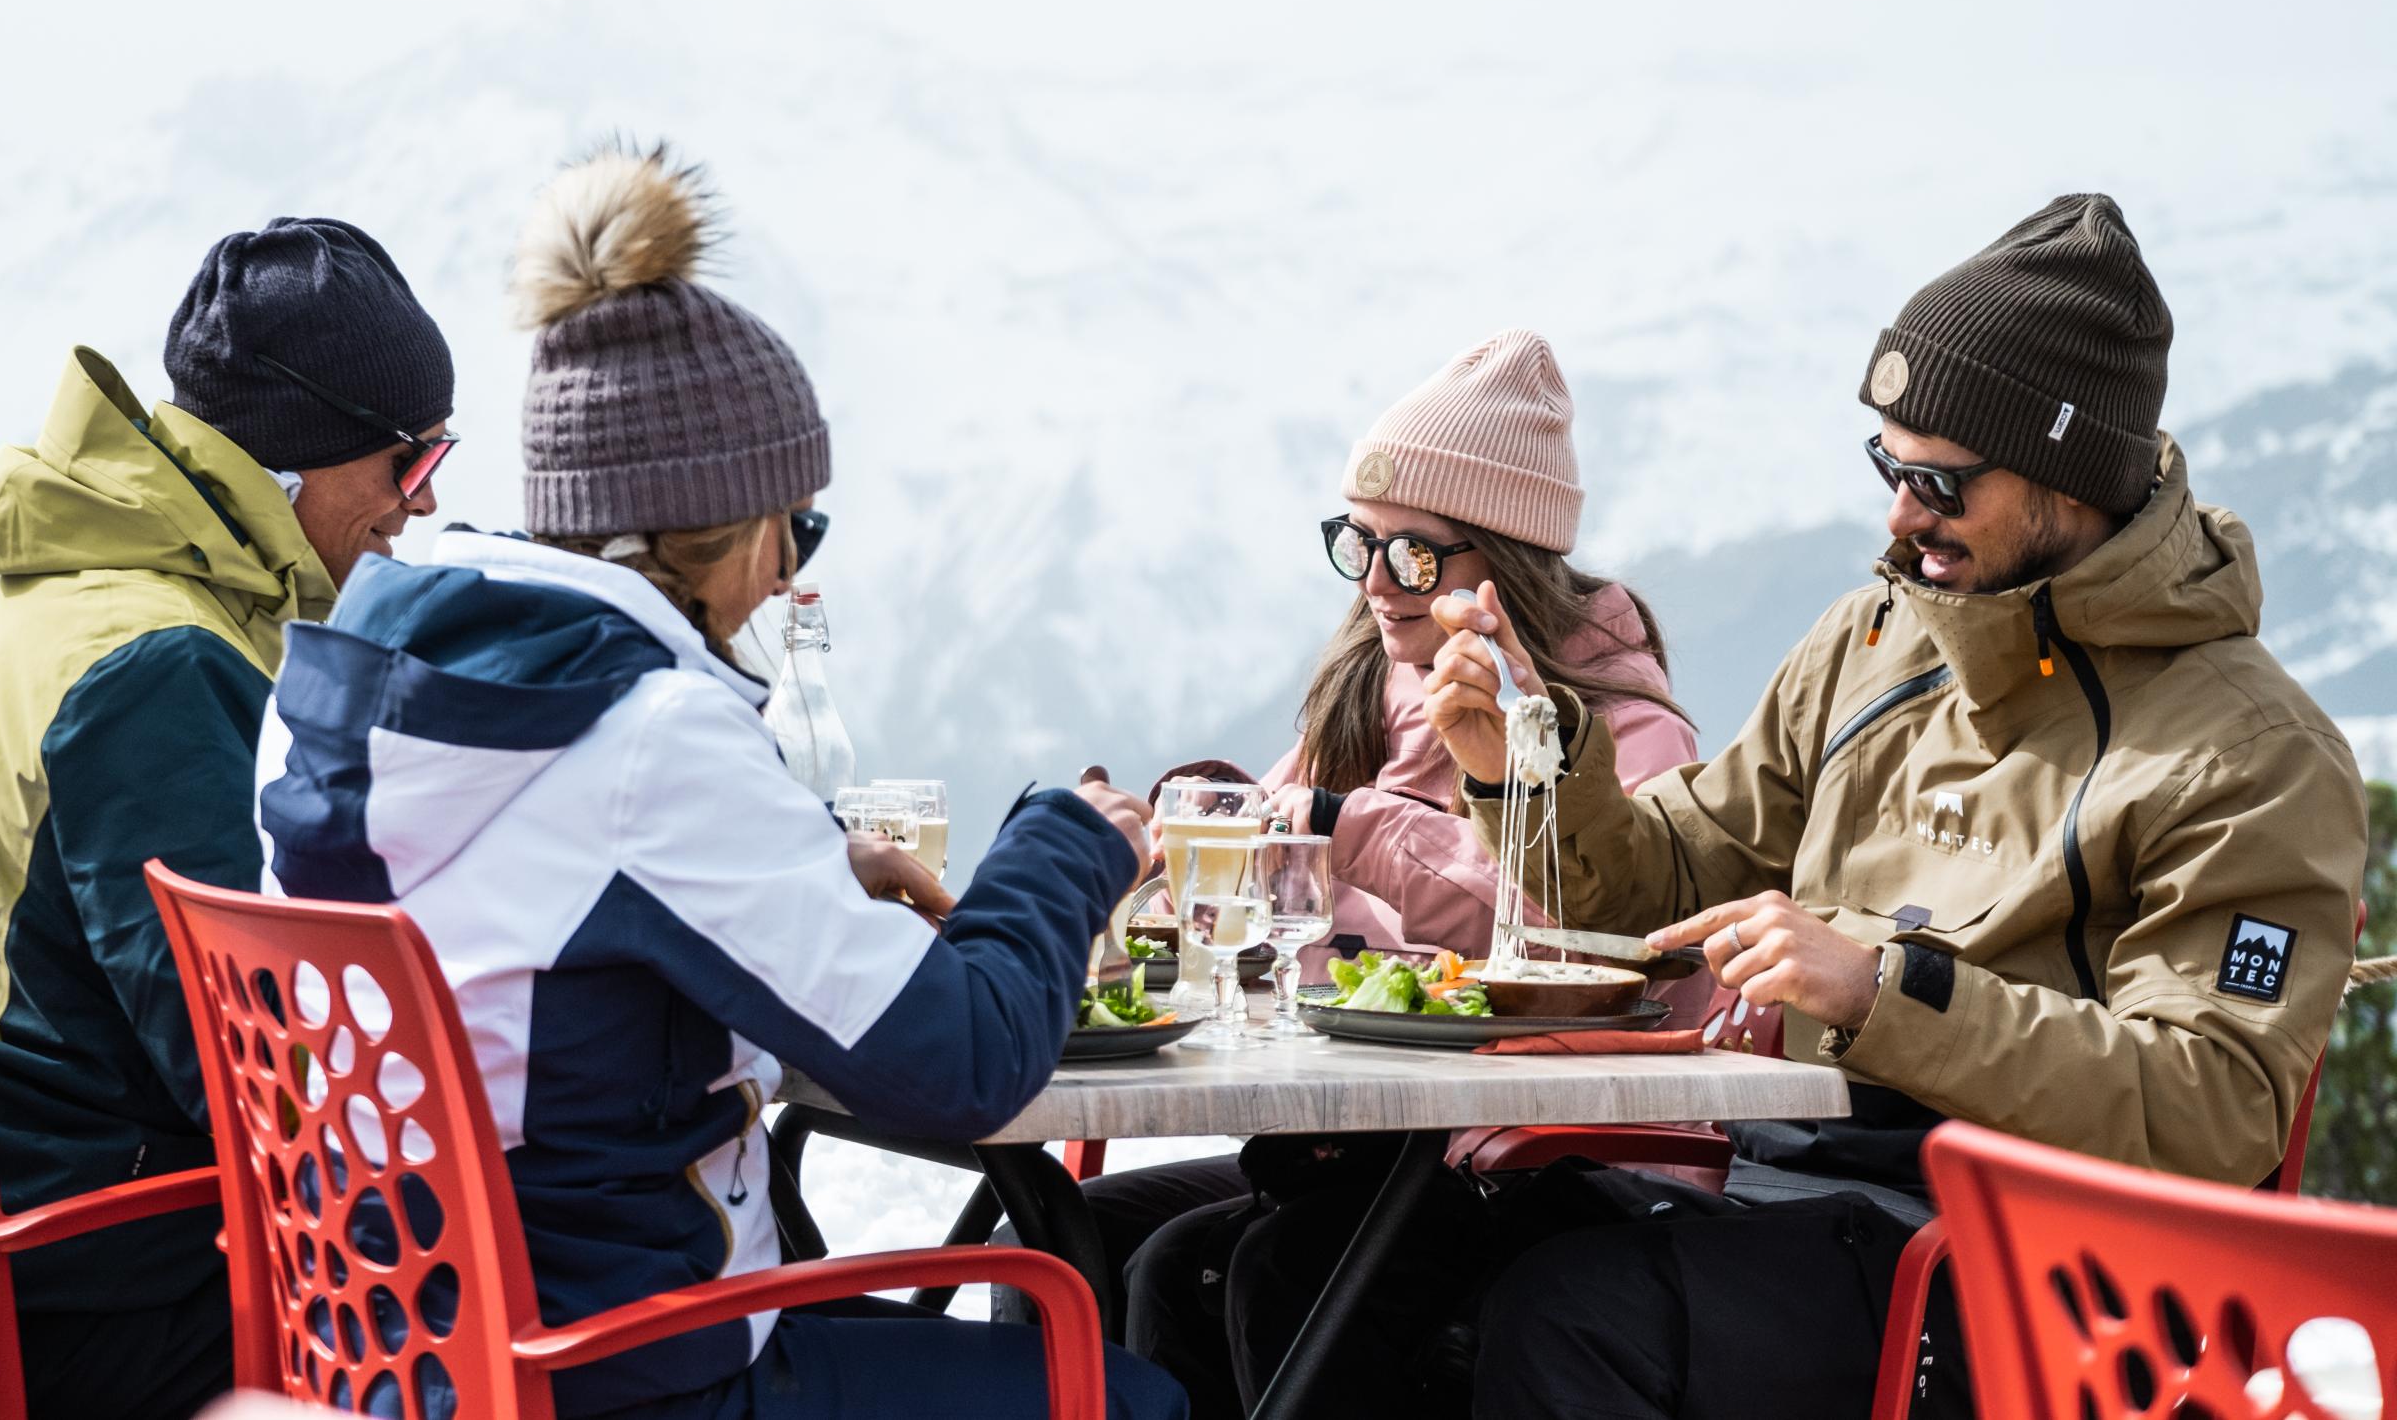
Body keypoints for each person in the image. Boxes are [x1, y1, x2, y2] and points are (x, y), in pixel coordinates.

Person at [1394, 192, 2366, 1419]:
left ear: (2069, 480)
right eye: (1887, 467)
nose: (1900, 517)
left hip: (2015, 1263)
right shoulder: (1875, 641)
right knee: (1303, 1270)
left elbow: (2209, 1109)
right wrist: (1519, 765)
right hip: (1781, 1188)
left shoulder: (2251, 753)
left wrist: (1878, 989)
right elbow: (1656, 876)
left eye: (1941, 484)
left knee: (1576, 1318)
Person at [256, 142, 1188, 1420]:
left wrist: (809, 859)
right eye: (797, 531)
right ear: (730, 528)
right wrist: (1069, 840)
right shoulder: (644, 731)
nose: (794, 579)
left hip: (403, 1350)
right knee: (1124, 1391)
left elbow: (550, 913)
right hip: (623, 1367)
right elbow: (961, 1064)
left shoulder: (349, 678)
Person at [0, 218, 456, 1420]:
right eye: (409, 461)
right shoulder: (158, 663)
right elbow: (256, 1079)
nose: (422, 504)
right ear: (297, 458)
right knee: (524, 1322)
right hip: (79, 1285)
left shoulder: (63, 599)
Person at [1078, 332, 1700, 1414]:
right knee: (1074, 1245)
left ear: (1504, 565)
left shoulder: (1625, 736)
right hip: (1365, 1150)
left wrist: (1350, 832)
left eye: (1413, 554)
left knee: (1255, 1273)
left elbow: (1583, 942)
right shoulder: (1372, 694)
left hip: (1548, 1160)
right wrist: (1155, 867)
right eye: (1356, 543)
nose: (1374, 582)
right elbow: (1255, 883)